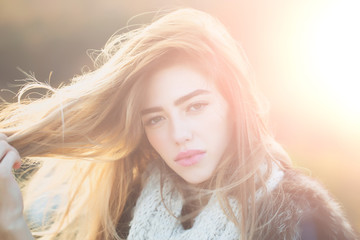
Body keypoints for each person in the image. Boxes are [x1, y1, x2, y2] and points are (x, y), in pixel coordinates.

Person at [0, 8, 358, 240]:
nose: (178, 135)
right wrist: (14, 225)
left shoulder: (299, 220)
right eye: (156, 118)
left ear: (235, 104)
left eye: (196, 106)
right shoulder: (131, 206)